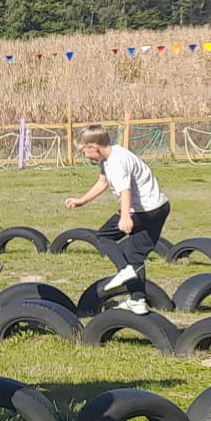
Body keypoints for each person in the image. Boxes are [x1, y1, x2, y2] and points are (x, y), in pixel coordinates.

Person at [64, 125, 170, 316]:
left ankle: (124, 270)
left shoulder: (115, 163)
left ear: (94, 146)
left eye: (84, 152)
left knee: (104, 236)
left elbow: (125, 191)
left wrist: (125, 216)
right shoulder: (113, 154)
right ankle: (138, 301)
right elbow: (102, 182)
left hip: (142, 210)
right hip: (160, 208)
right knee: (135, 255)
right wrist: (82, 201)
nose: (85, 157)